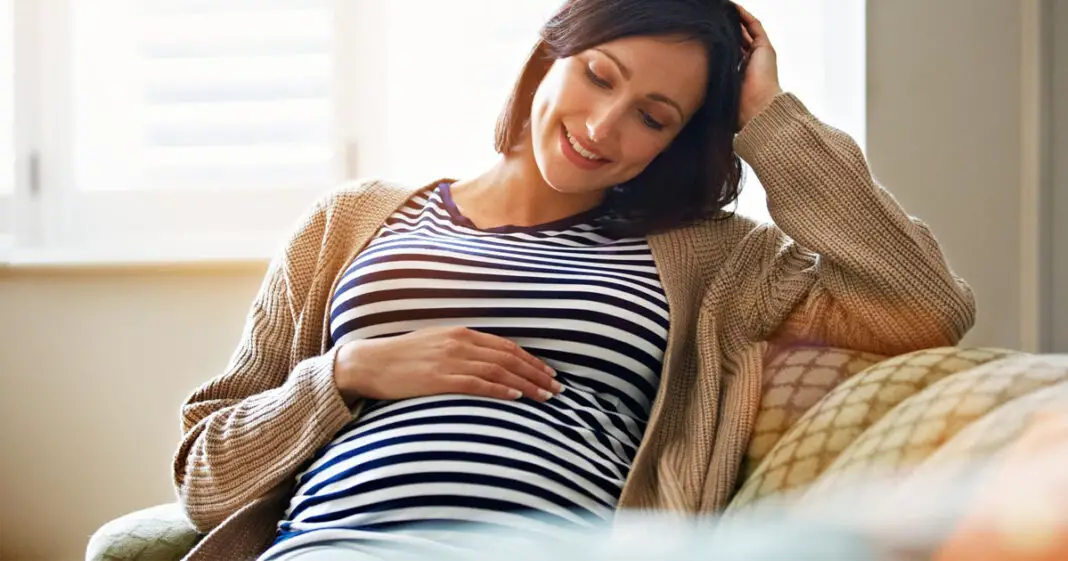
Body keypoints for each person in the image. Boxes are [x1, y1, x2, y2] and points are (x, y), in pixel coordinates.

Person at [171, 1, 977, 559]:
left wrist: (768, 115)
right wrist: (349, 372)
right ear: (550, 51)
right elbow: (206, 475)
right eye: (599, 74)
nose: (603, 127)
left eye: (654, 116)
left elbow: (923, 304)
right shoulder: (350, 222)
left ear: (681, 139)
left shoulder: (712, 259)